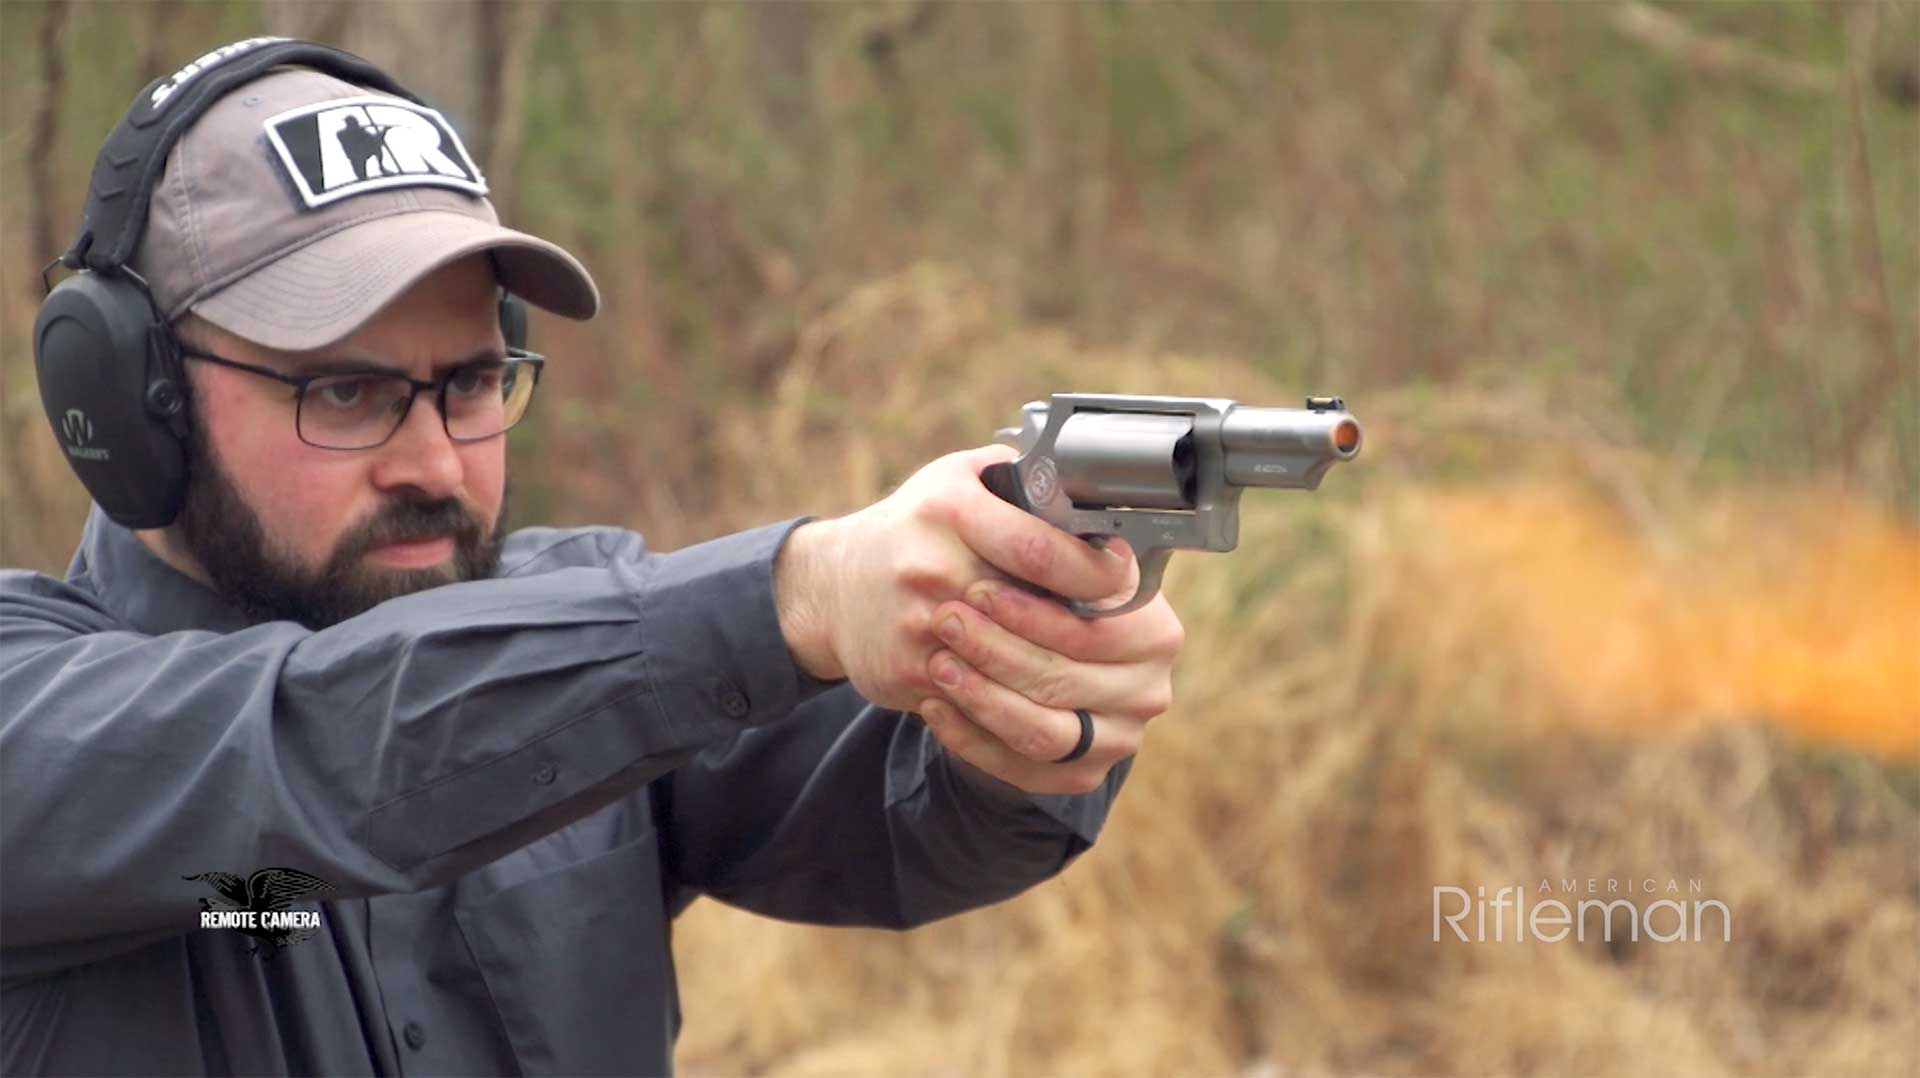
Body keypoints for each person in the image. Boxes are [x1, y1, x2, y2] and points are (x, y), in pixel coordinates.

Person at [0, 43, 1183, 1077]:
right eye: (346, 392)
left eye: (468, 383)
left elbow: (905, 826)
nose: (433, 460)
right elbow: (327, 745)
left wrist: (1022, 679)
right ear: (135, 401)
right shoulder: (32, 717)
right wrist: (797, 595)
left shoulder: (584, 629)